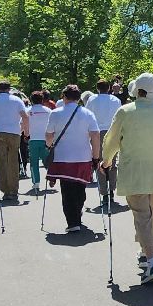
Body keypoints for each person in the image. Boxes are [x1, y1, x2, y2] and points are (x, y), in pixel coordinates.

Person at [100, 74, 153, 283]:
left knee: (141, 216)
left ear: (137, 91)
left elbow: (111, 140)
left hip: (134, 170)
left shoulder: (125, 111)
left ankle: (152, 261)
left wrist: (106, 161)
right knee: (152, 215)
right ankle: (146, 254)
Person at [44, 85, 104, 234]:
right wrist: (96, 156)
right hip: (83, 157)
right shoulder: (88, 114)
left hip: (62, 157)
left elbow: (49, 135)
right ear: (79, 98)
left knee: (67, 190)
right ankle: (77, 212)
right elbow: (95, 136)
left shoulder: (55, 113)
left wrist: (49, 145)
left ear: (64, 97)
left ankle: (73, 221)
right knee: (80, 187)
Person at [0, 80, 28, 204]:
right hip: (14, 133)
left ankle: (4, 189)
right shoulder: (17, 100)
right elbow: (25, 117)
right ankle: (13, 190)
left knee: (1, 162)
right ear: (9, 89)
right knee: (13, 162)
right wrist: (25, 132)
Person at [25, 91, 53, 191]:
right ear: (42, 100)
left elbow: (23, 124)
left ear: (31, 100)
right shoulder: (48, 111)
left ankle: (36, 182)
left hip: (33, 139)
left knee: (34, 162)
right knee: (47, 160)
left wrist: (25, 133)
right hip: (46, 139)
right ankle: (52, 176)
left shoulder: (28, 111)